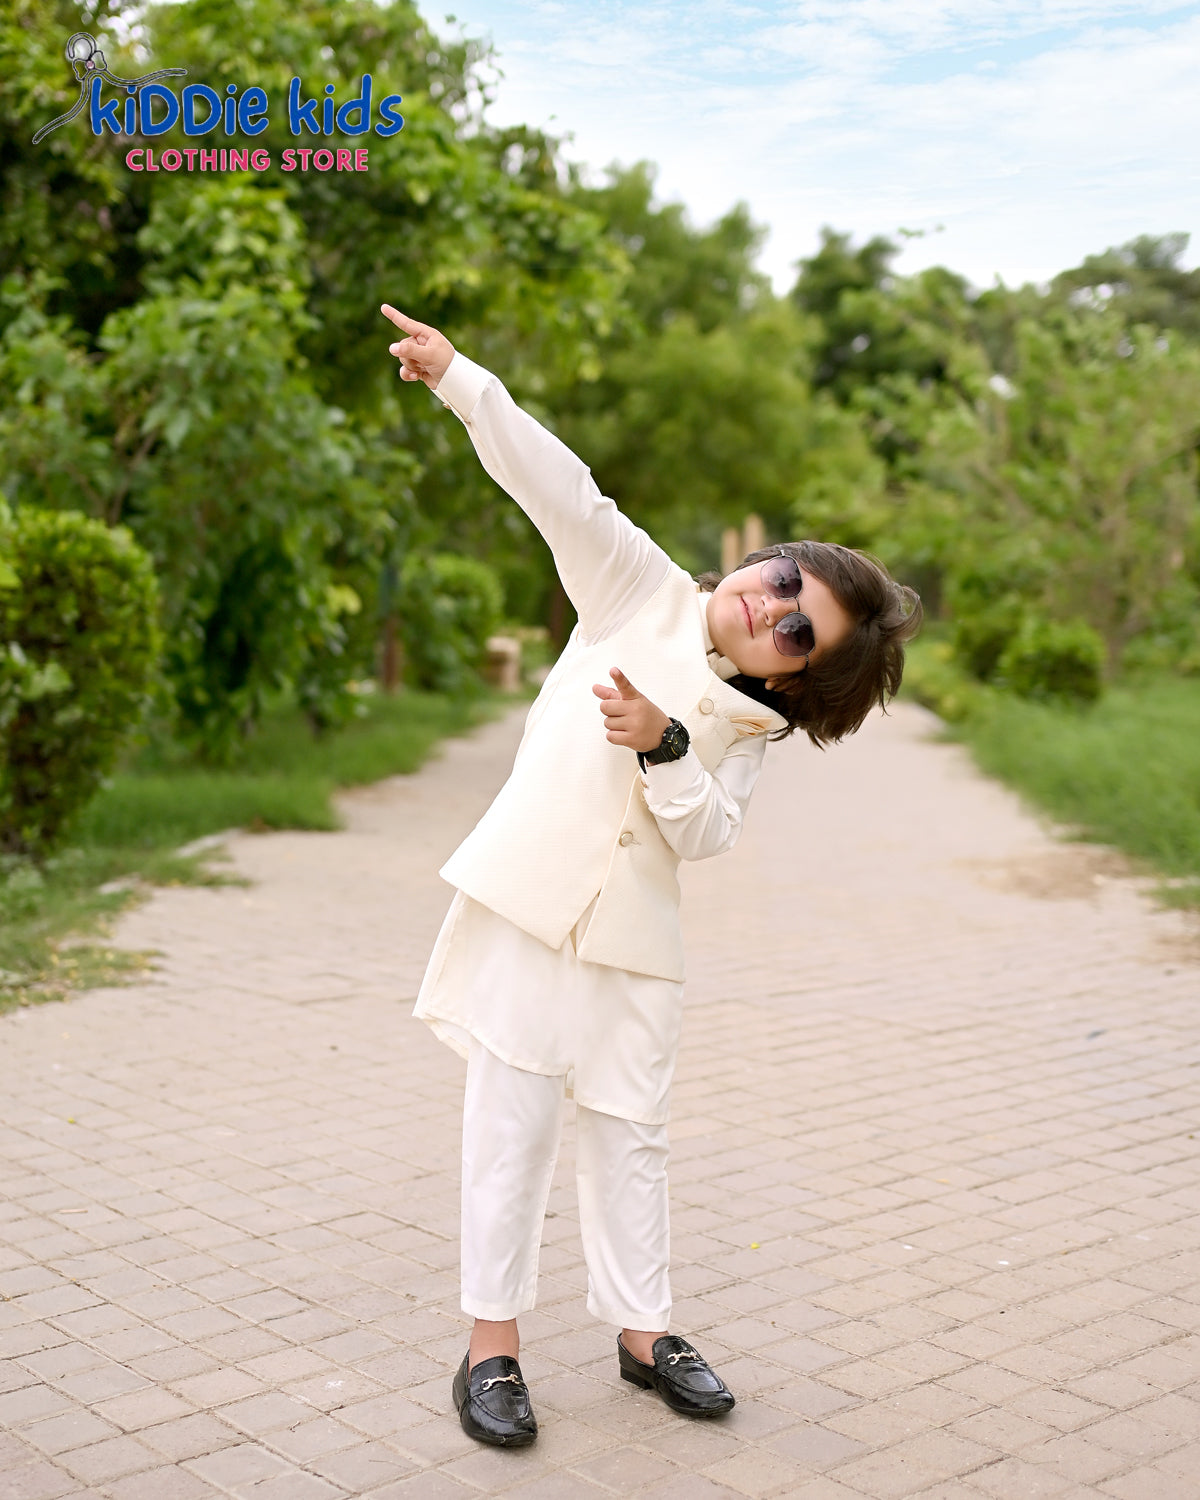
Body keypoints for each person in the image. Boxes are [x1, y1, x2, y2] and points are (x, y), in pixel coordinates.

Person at [381, 304, 923, 1448]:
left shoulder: (751, 728)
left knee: (632, 1132)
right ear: (764, 559)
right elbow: (562, 489)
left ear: (796, 679)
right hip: (531, 907)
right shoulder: (639, 589)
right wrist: (461, 379)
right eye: (785, 580)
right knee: (512, 1124)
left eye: (798, 631)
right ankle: (491, 1348)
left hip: (636, 943)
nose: (772, 606)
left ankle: (644, 1335)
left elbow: (708, 834)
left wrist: (668, 746)